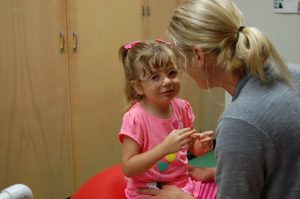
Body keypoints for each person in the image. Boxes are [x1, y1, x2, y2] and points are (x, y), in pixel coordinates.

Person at [140, 0, 300, 198]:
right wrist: (221, 173)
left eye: (179, 60)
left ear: (198, 55)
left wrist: (183, 197)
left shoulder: (240, 122)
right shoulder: (293, 72)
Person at [118, 39, 217, 199]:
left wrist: (202, 146)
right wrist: (164, 148)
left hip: (181, 183)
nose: (167, 81)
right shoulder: (135, 118)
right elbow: (128, 168)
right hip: (149, 190)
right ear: (137, 86)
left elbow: (192, 147)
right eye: (155, 77)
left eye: (172, 73)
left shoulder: (182, 108)